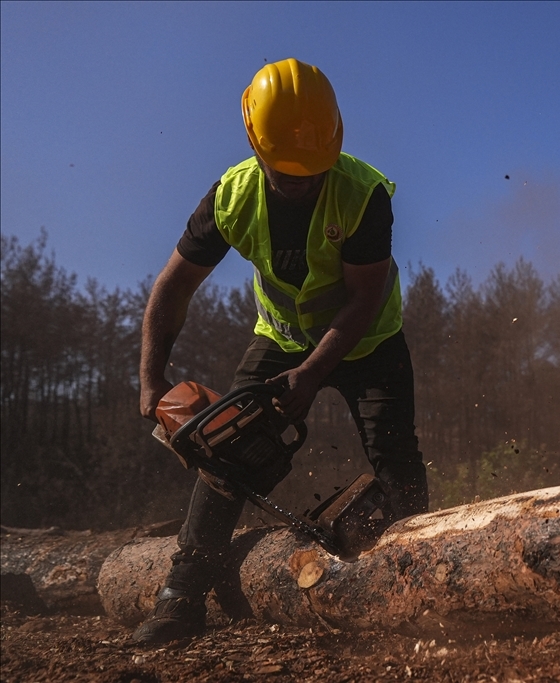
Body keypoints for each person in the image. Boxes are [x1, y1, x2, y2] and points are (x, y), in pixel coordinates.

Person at [133, 58, 427, 644]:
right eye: (287, 171)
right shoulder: (230, 198)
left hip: (367, 338)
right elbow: (172, 288)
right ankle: (182, 593)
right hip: (281, 337)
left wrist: (313, 375)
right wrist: (150, 379)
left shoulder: (363, 194)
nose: (302, 180)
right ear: (254, 142)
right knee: (226, 450)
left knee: (394, 457)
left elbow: (365, 297)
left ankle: (421, 585)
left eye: (313, 170)